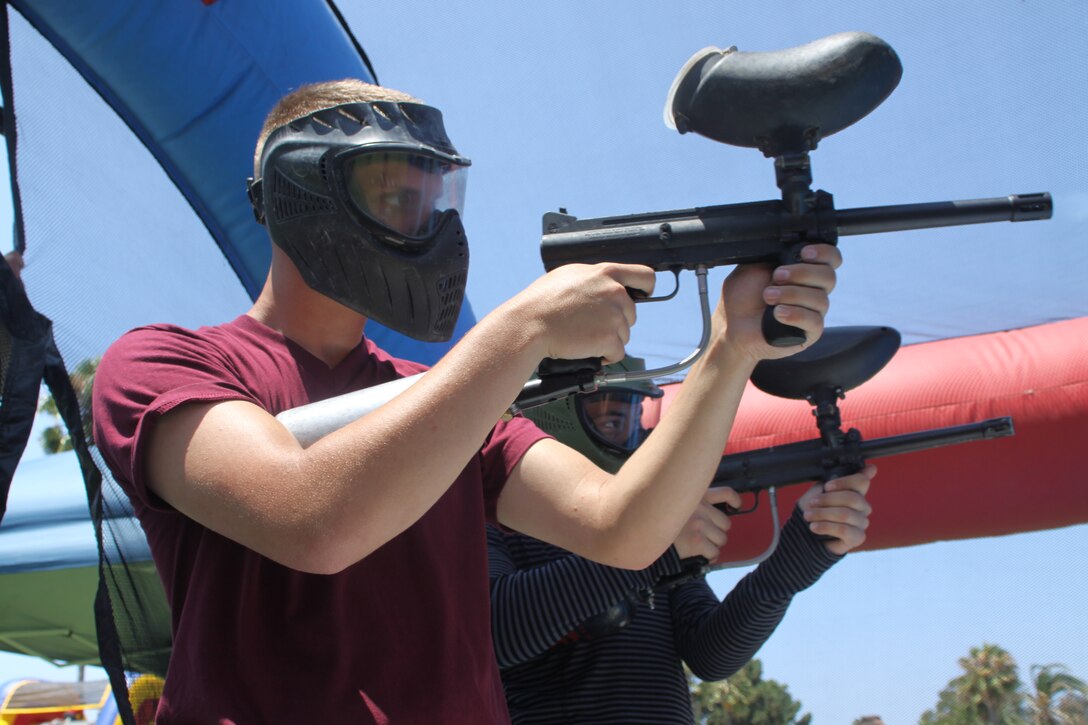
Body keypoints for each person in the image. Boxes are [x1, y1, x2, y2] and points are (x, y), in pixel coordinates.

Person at [91, 78, 844, 724]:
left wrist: (731, 348)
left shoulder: (443, 402)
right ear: (301, 190)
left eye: (430, 199)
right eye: (391, 193)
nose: (421, 224)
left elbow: (625, 529)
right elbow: (310, 519)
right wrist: (521, 331)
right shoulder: (163, 363)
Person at [488, 358, 874, 724]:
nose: (628, 437)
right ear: (552, 411)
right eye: (609, 419)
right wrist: (650, 545)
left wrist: (797, 559)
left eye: (630, 419)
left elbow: (711, 654)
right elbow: (494, 634)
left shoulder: (648, 525)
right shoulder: (494, 516)